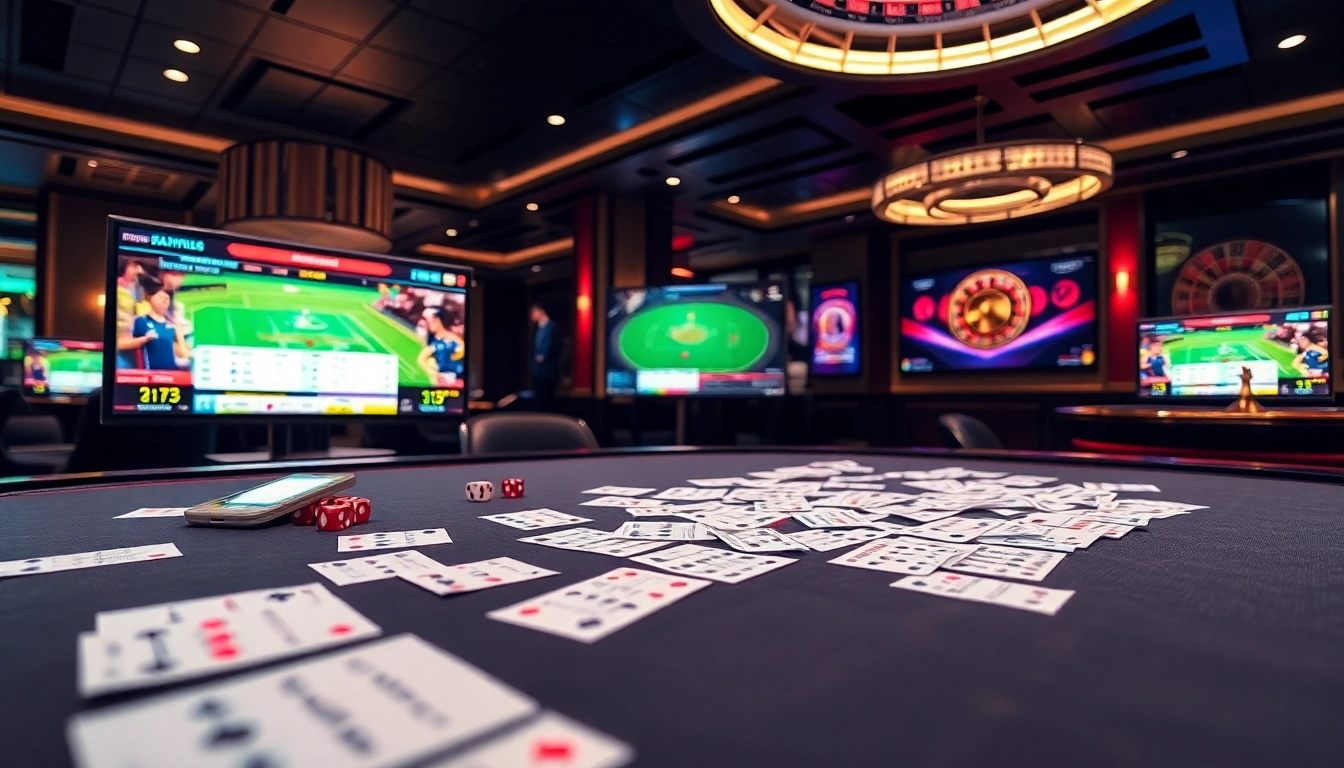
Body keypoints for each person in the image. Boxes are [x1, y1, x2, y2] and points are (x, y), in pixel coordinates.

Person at [119, 280, 191, 370]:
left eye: (167, 298)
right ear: (150, 298)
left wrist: (180, 337)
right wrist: (144, 339)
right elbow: (120, 344)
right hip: (151, 376)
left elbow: (183, 353)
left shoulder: (171, 325)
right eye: (160, 297)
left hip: (172, 376)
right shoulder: (141, 321)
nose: (164, 301)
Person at [417, 307, 466, 385]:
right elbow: (421, 359)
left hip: (458, 380)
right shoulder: (436, 342)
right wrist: (434, 373)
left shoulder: (452, 338)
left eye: (431, 321)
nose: (428, 324)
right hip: (446, 381)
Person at [530, 303, 560, 403]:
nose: (532, 316)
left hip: (547, 370)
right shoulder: (539, 328)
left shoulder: (551, 326)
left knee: (547, 397)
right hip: (539, 371)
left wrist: (542, 356)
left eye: (534, 313)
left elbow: (550, 344)